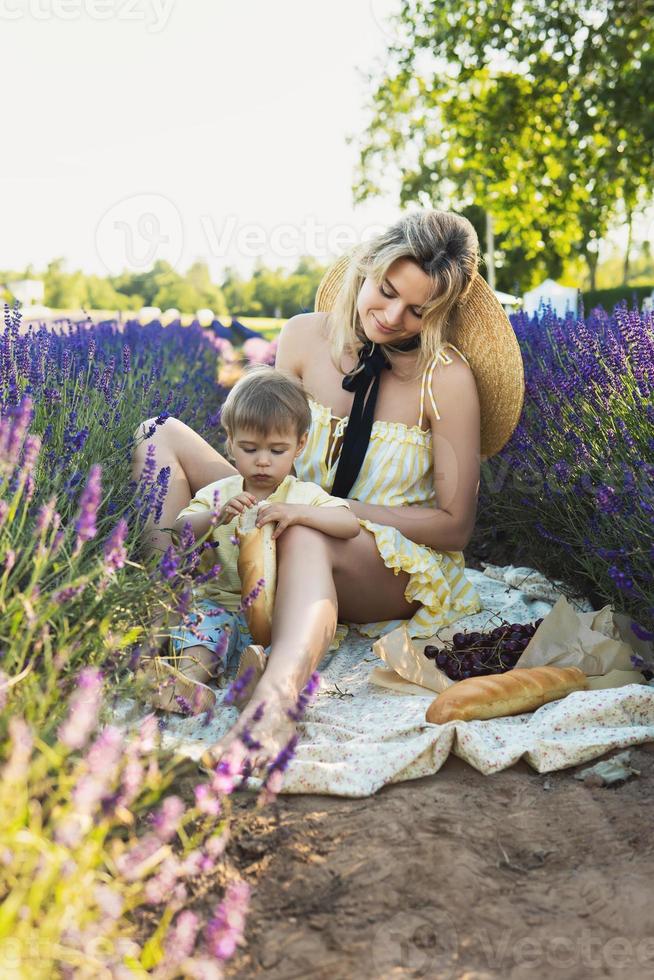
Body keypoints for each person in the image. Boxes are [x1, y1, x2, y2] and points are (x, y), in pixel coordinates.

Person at [131, 209, 524, 776]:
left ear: (438, 313)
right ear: (364, 270)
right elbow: (265, 441)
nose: (392, 317)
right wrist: (240, 497)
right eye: (385, 292)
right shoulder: (301, 336)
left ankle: (275, 705)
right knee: (156, 432)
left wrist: (320, 508)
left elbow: (453, 524)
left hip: (384, 560)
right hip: (285, 515)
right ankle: (167, 624)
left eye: (417, 310)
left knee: (308, 532)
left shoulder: (447, 378)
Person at [137, 365, 360, 714]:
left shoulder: (299, 494)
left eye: (276, 450)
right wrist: (215, 516)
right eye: (250, 448)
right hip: (217, 603)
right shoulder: (218, 493)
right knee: (201, 641)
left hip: (273, 612)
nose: (262, 461)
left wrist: (297, 513)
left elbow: (349, 523)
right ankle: (191, 686)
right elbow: (177, 533)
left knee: (270, 651)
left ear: (300, 445)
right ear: (229, 442)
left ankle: (251, 686)